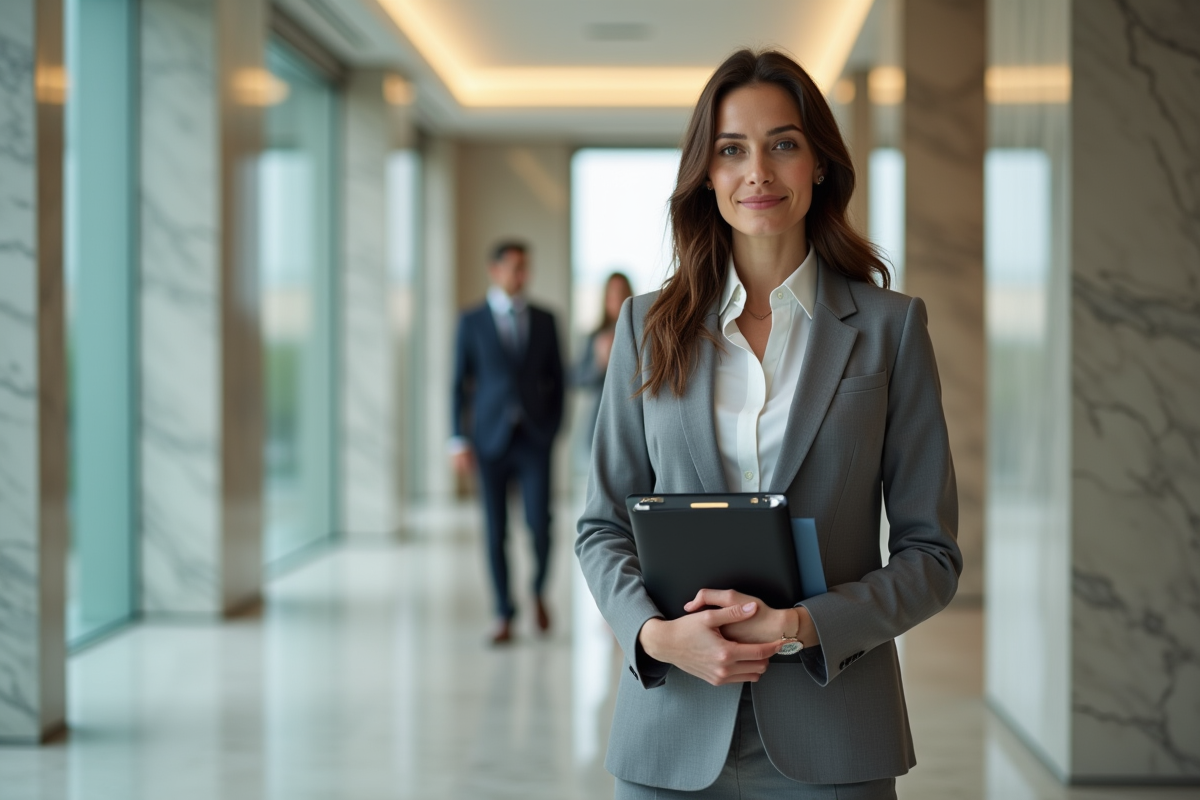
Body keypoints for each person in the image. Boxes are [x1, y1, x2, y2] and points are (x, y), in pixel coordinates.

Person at [576, 49, 961, 799]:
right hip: (669, 731)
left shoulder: (891, 329)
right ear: (706, 174)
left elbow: (931, 555)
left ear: (818, 163)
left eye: (783, 143)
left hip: (835, 732)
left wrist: (801, 627)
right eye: (731, 150)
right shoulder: (645, 328)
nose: (758, 171)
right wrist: (656, 637)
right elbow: (601, 526)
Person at [452, 241, 565, 645]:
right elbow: (458, 385)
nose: (522, 276)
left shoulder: (545, 319)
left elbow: (559, 379)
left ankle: (537, 590)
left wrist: (553, 429)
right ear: (494, 270)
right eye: (515, 268)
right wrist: (457, 440)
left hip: (534, 440)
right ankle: (503, 612)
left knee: (540, 525)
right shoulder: (471, 321)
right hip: (490, 441)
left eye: (526, 268)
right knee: (494, 529)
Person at [572, 272, 634, 453]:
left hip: (634, 419)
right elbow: (577, 379)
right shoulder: (595, 337)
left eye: (621, 292)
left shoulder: (642, 335)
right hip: (601, 421)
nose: (617, 299)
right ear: (605, 299)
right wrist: (599, 362)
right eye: (612, 294)